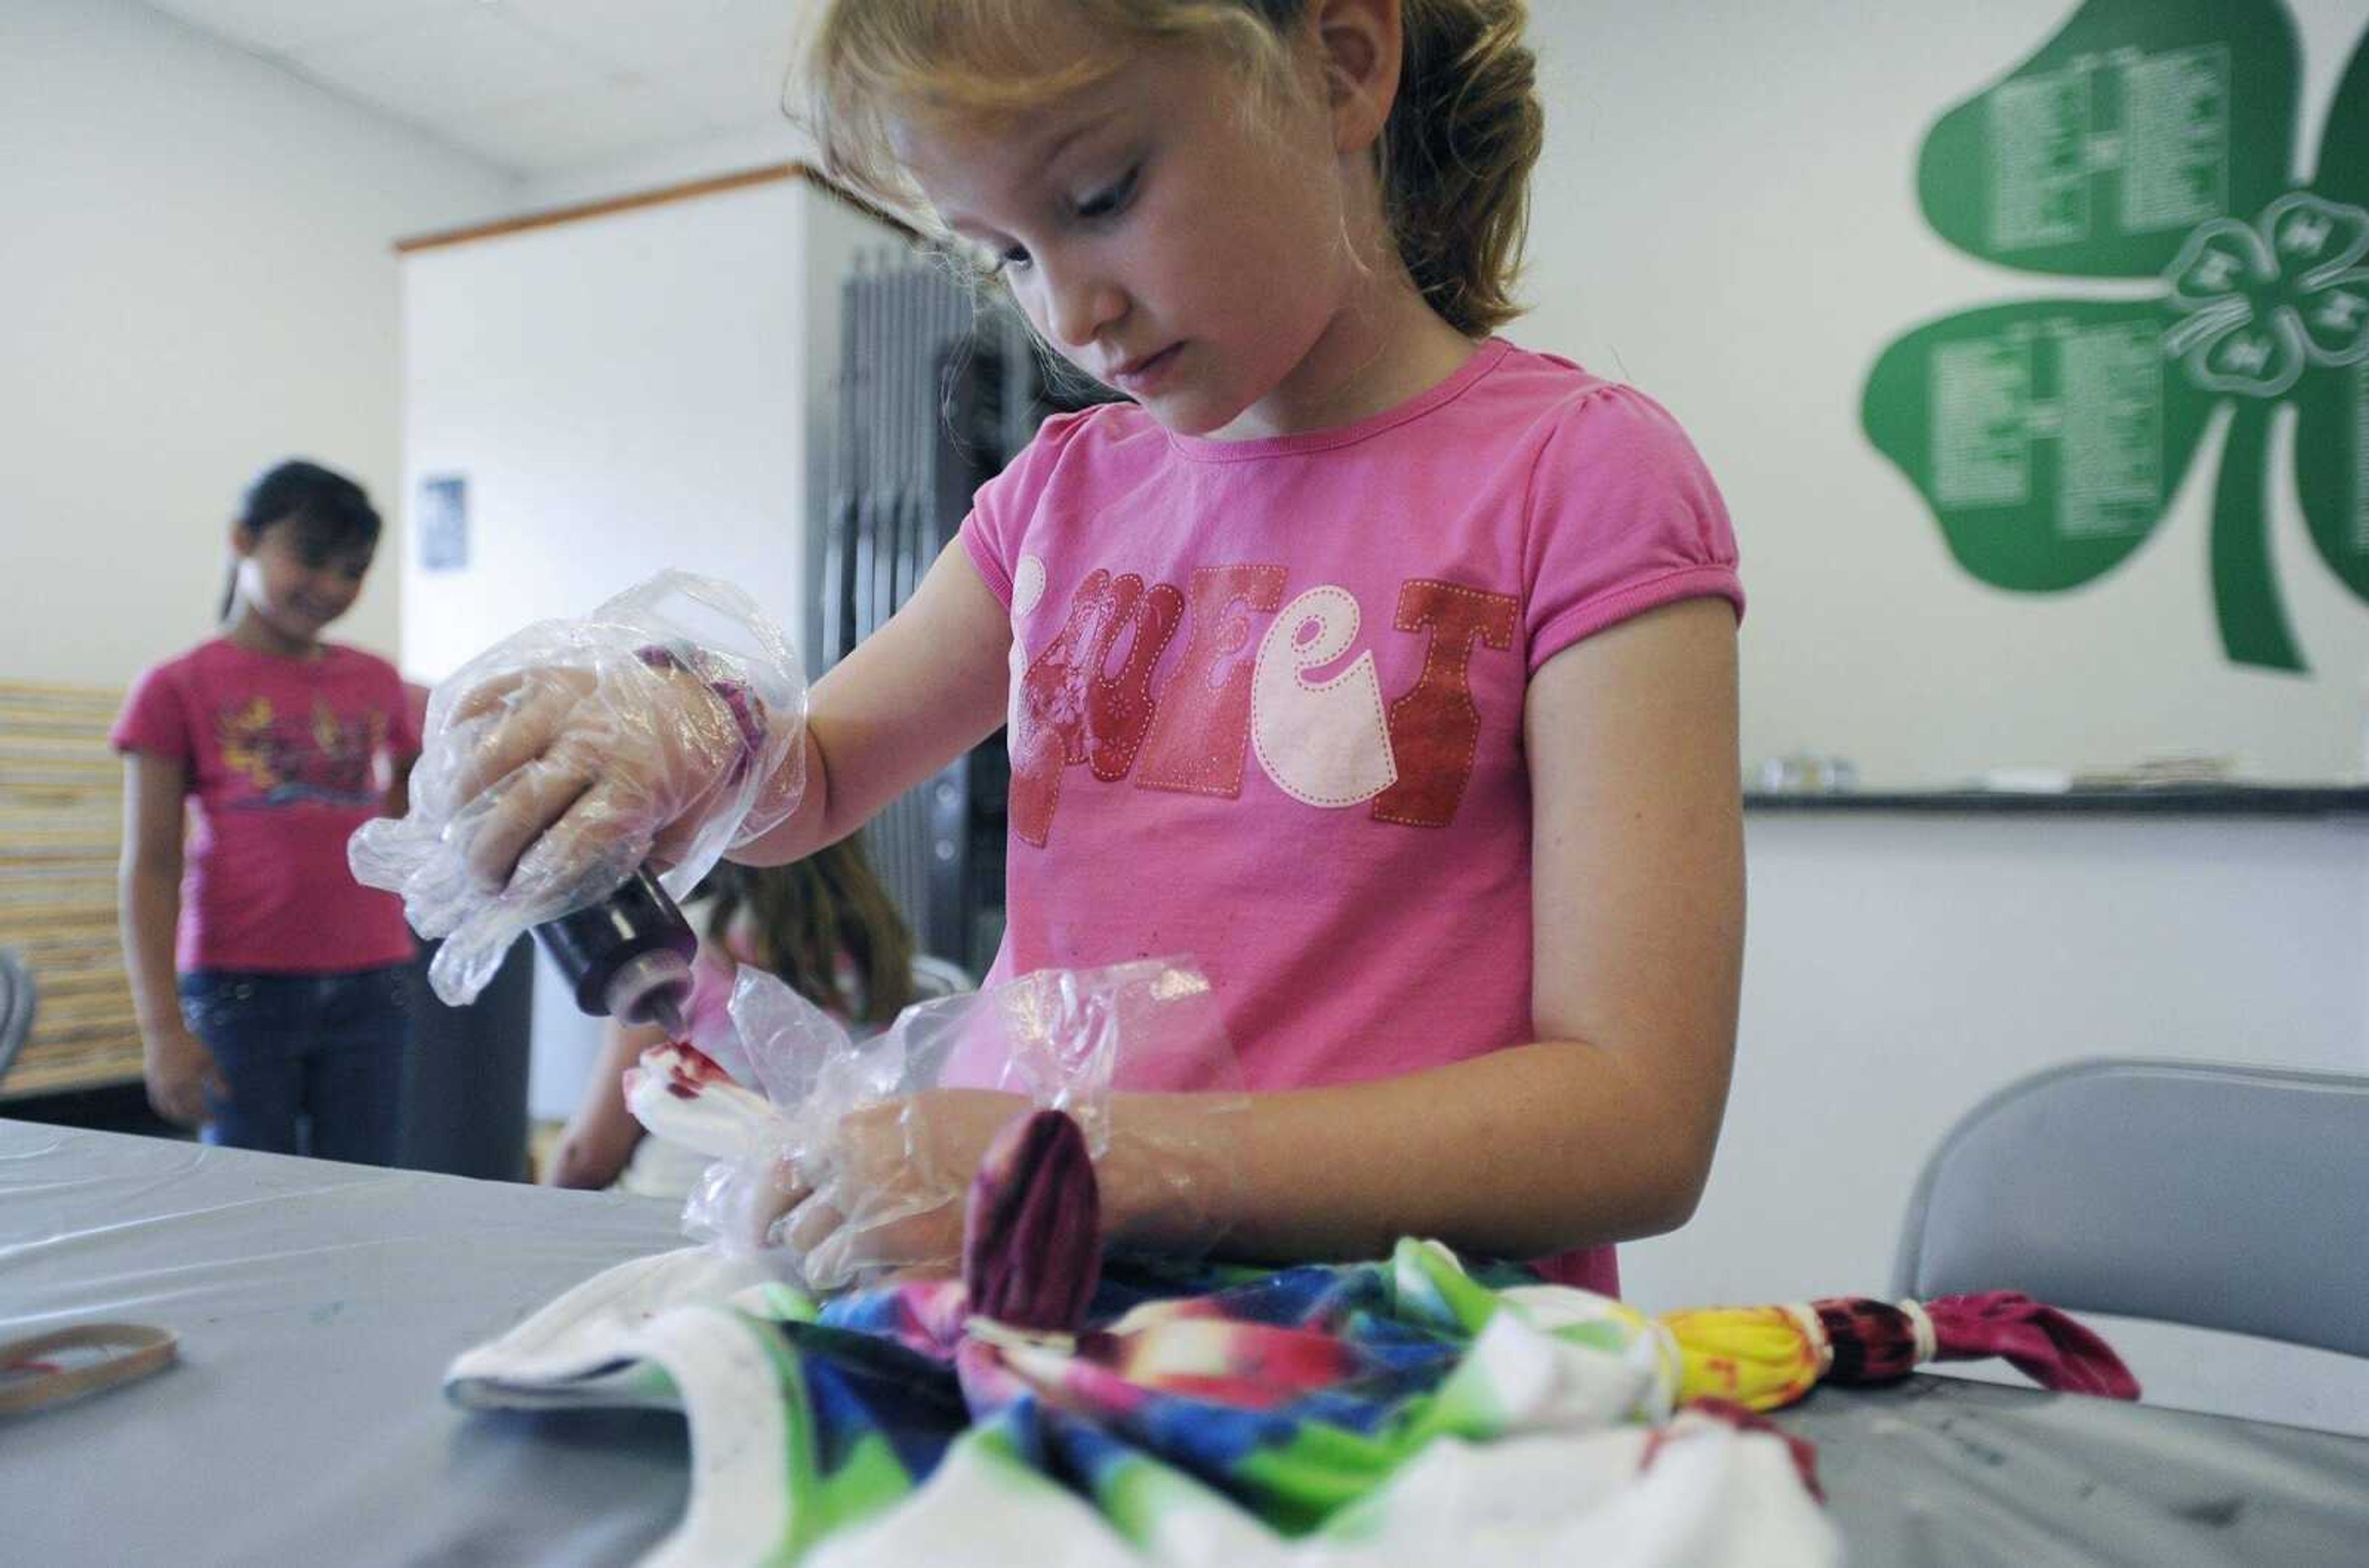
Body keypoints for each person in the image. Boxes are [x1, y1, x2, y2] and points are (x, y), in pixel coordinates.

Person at [434, 0, 1742, 1294]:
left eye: (1105, 194)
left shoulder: (1578, 477)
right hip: (1029, 1301)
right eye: (1002, 250)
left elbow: (1633, 1120)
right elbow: (813, 779)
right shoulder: (1058, 496)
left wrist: (1094, 1157)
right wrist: (684, 733)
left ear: (1342, 66)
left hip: (1401, 1355)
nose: (1069, 312)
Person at [114, 460, 421, 1163]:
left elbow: (411, 789)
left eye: (353, 569)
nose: (331, 587)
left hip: (374, 979)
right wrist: (161, 1026)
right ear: (242, 540)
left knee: (366, 1188)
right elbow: (152, 865)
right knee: (247, 1194)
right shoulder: (176, 685)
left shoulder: (375, 679)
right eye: (310, 558)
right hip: (240, 985)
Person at [542, 844, 967, 1194]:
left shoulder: (679, 951)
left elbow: (589, 1155)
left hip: (677, 1206)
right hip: (823, 1210)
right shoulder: (887, 956)